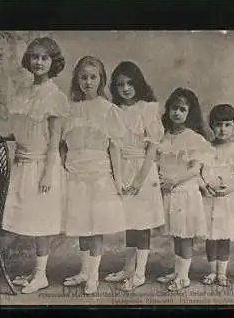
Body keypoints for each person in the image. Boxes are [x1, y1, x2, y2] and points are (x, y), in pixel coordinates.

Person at [0, 37, 70, 294]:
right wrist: (5, 135)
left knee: (41, 222)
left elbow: (53, 140)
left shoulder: (54, 97)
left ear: (53, 62)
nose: (38, 62)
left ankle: (41, 275)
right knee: (22, 218)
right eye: (34, 57)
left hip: (42, 165)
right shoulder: (23, 93)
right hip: (22, 164)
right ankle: (34, 272)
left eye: (44, 58)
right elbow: (26, 129)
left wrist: (48, 173)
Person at [61, 56, 127, 295]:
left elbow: (115, 148)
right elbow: (63, 145)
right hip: (75, 171)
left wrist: (118, 180)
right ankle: (83, 271)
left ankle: (93, 276)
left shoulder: (109, 110)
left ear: (101, 80)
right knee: (81, 224)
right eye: (83, 77)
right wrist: (61, 167)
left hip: (99, 173)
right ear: (77, 79)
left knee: (96, 225)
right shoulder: (69, 109)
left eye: (93, 77)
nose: (88, 82)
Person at [103, 61, 165, 291]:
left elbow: (152, 148)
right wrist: (118, 179)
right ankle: (128, 268)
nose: (126, 88)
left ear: (138, 84)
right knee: (129, 220)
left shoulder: (147, 109)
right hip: (124, 168)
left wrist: (139, 180)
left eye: (130, 83)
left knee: (143, 223)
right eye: (120, 85)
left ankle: (139, 273)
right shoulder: (115, 112)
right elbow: (114, 147)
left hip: (143, 170)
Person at [155, 87, 211, 292]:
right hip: (169, 192)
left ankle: (184, 276)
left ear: (189, 113)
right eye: (173, 108)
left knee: (185, 235)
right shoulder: (164, 136)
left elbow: (195, 169)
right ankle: (177, 271)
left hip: (185, 191)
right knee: (176, 234)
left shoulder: (193, 139)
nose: (177, 113)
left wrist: (174, 180)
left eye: (182, 109)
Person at [200, 104, 234, 287]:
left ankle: (221, 273)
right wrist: (206, 186)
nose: (222, 129)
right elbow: (198, 172)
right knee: (210, 237)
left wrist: (229, 188)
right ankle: (211, 271)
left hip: (227, 199)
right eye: (218, 124)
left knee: (223, 237)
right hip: (209, 198)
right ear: (211, 126)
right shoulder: (205, 149)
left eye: (227, 124)